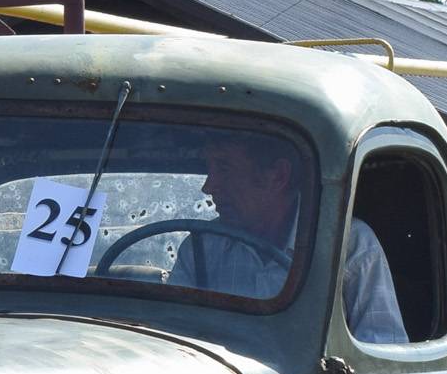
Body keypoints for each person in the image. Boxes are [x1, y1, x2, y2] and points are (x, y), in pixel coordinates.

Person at [174, 130, 409, 344]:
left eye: (224, 168)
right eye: (209, 168)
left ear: (277, 176)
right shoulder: (200, 248)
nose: (208, 186)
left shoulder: (349, 245)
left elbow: (383, 350)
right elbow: (171, 339)